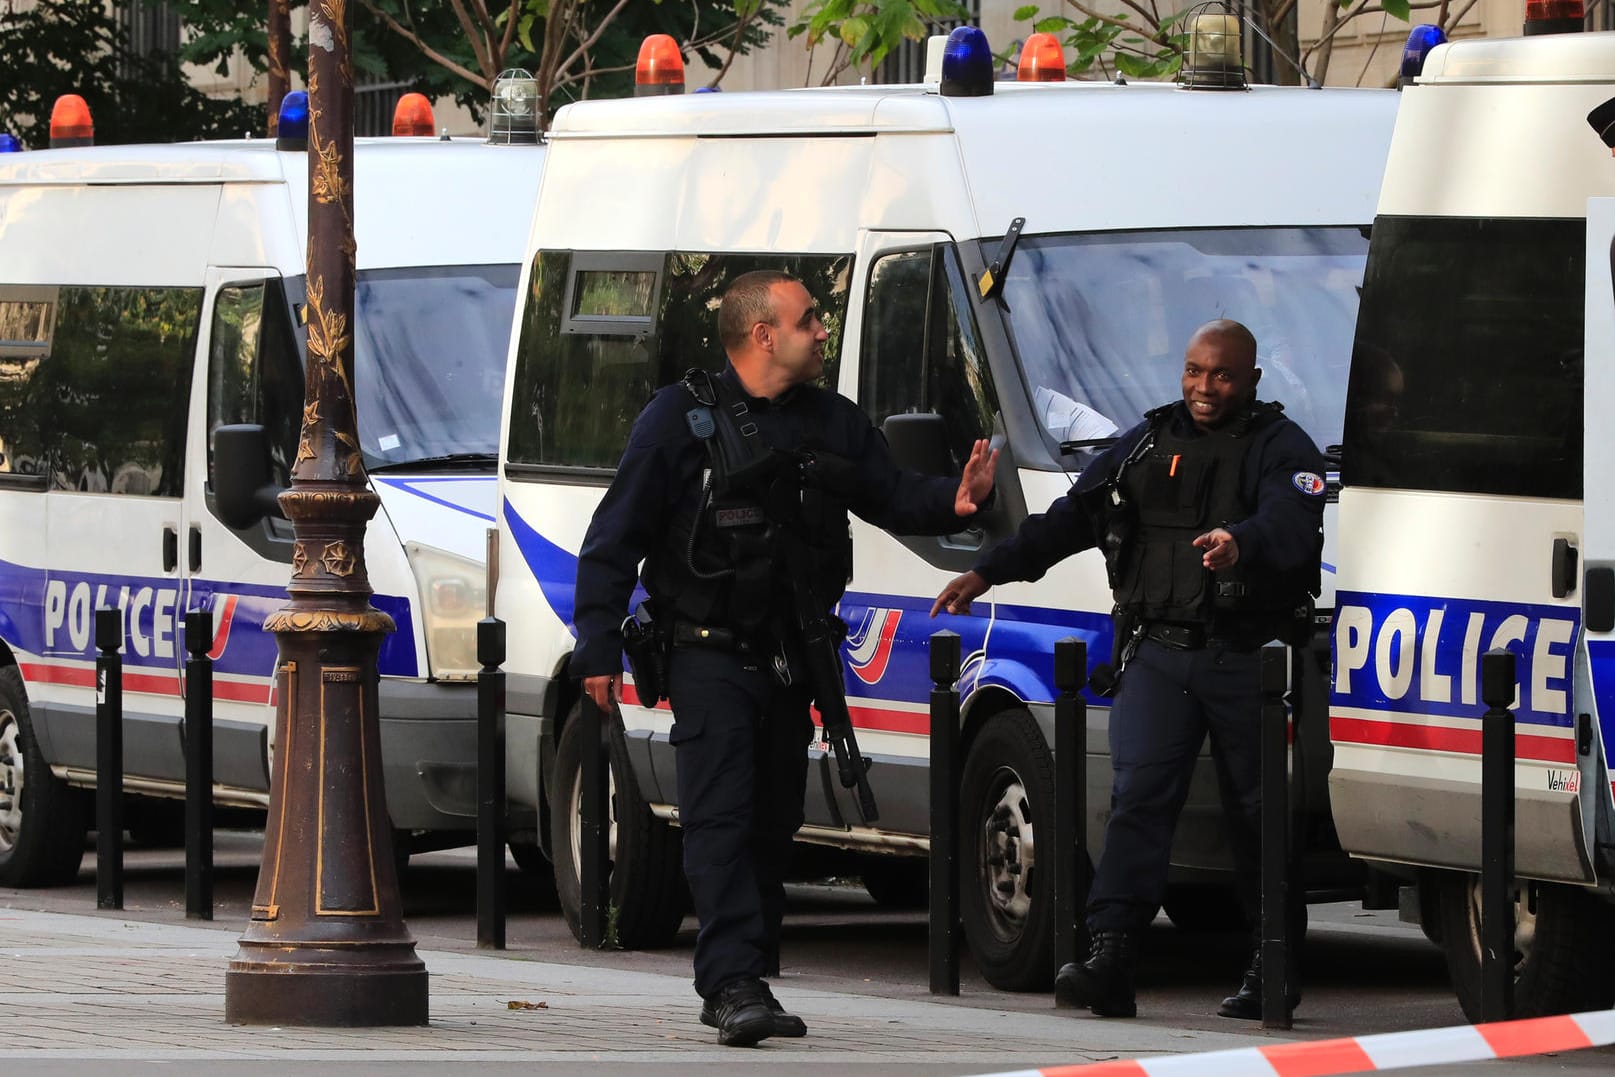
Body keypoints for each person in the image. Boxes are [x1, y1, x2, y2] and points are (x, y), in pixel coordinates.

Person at [573, 269, 998, 1047]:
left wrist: (958, 501)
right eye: (809, 321)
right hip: (707, 651)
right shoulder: (679, 418)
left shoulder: (828, 421)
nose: (821, 333)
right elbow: (614, 539)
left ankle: (750, 974)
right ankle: (730, 979)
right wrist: (595, 647)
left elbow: (891, 492)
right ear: (763, 334)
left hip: (790, 654)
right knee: (722, 818)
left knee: (772, 821)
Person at [931, 319, 1323, 1020]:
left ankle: (1273, 963)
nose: (1204, 387)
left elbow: (1293, 525)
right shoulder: (1146, 439)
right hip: (1158, 653)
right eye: (1194, 371)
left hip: (1245, 657)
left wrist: (1240, 541)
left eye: (1222, 375)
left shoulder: (1281, 446)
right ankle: (1110, 956)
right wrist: (989, 571)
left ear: (1252, 379)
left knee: (1257, 816)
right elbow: (1071, 517)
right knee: (1136, 800)